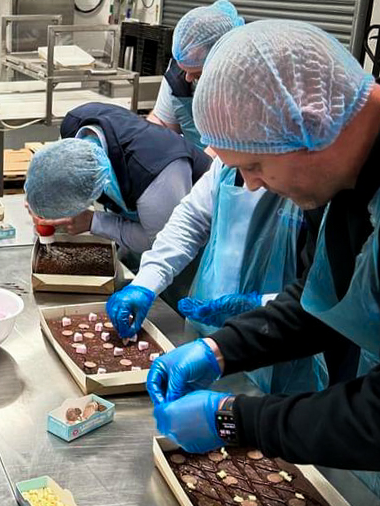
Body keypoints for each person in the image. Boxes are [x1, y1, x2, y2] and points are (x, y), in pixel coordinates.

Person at [146, 20, 380, 488]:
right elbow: (322, 303)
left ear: (307, 124)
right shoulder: (347, 185)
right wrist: (221, 349)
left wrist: (239, 420)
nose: (251, 184)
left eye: (255, 165)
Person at [106, 155, 329, 395]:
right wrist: (146, 282)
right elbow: (190, 220)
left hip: (284, 337)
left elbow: (325, 293)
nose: (251, 183)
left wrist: (260, 304)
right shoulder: (227, 164)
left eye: (254, 166)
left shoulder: (317, 184)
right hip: (210, 330)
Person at [24, 103, 210, 261]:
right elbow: (55, 173)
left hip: (194, 238)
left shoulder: (154, 174)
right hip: (143, 213)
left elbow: (162, 241)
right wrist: (37, 201)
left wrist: (93, 222)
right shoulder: (77, 122)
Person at [148, 0, 244, 148]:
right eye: (185, 70)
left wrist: (202, 167)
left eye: (197, 73)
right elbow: (162, 121)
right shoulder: (177, 75)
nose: (187, 77)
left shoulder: (243, 84)